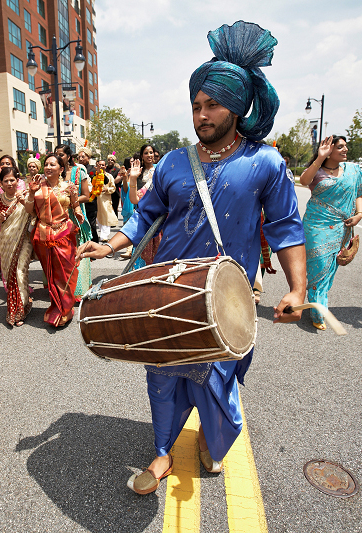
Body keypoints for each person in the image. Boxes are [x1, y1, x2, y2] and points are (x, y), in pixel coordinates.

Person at [77, 21, 306, 494]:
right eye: (196, 105)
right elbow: (145, 216)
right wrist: (111, 244)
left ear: (237, 107)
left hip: (227, 298)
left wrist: (298, 287)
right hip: (168, 290)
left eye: (212, 104)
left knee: (217, 382)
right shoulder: (173, 163)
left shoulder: (265, 162)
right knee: (161, 376)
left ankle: (211, 438)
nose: (201, 114)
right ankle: (162, 451)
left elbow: (285, 227)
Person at [299, 135, 362, 330]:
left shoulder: (353, 170)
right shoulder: (318, 171)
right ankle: (318, 311)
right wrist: (319, 159)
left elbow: (359, 193)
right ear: (329, 150)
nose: (345, 150)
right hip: (317, 225)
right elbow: (304, 180)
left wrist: (360, 214)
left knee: (330, 267)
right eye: (340, 147)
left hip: (341, 227)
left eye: (345, 146)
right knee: (319, 265)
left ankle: (317, 300)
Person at [25, 152, 83, 327]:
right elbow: (29, 209)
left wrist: (79, 213)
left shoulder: (70, 187)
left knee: (66, 273)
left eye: (53, 165)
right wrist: (31, 193)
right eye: (46, 164)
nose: (48, 167)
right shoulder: (37, 186)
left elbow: (75, 205)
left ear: (61, 168)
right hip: (44, 233)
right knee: (51, 273)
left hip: (64, 233)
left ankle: (66, 308)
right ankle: (57, 307)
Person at [0, 166, 34, 327]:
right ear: (0, 182)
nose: (9, 183)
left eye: (12, 180)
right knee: (10, 275)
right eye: (5, 181)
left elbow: (34, 214)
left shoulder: (27, 194)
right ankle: (19, 305)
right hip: (6, 240)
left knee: (20, 271)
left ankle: (21, 309)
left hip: (24, 238)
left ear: (18, 180)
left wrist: (24, 201)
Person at [56, 144, 93, 299]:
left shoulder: (79, 171)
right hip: (57, 219)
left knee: (78, 251)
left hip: (76, 217)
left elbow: (87, 195)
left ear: (69, 157)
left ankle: (79, 290)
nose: (58, 157)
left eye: (61, 155)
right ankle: (62, 288)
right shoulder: (54, 172)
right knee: (61, 253)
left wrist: (70, 201)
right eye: (56, 154)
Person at [76, 146, 100, 244]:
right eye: (79, 157)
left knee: (91, 225)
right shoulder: (76, 169)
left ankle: (94, 245)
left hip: (91, 202)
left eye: (83, 157)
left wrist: (99, 173)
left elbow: (103, 182)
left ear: (88, 157)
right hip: (79, 202)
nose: (80, 159)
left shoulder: (93, 170)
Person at [94, 159, 118, 241]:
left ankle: (104, 236)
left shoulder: (109, 176)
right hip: (95, 200)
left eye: (103, 165)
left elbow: (113, 188)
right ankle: (102, 234)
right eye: (99, 165)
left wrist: (107, 189)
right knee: (98, 217)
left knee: (106, 217)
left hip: (106, 200)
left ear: (105, 166)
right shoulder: (93, 175)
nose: (101, 166)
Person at [107, 154, 123, 219]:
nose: (110, 161)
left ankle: (114, 220)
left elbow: (117, 180)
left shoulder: (117, 170)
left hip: (115, 191)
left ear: (114, 162)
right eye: (109, 160)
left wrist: (111, 181)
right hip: (106, 191)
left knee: (114, 205)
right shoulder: (105, 169)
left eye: (112, 160)